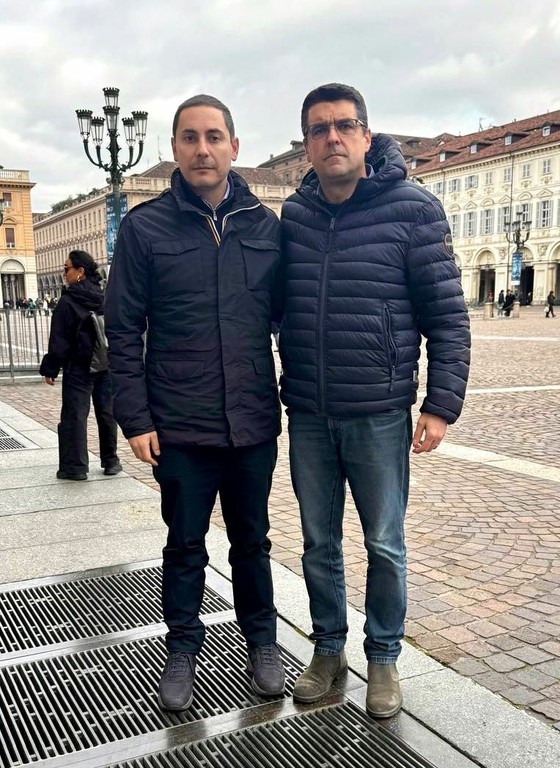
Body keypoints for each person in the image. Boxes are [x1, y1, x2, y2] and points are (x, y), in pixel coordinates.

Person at [279, 83, 470, 719]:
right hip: (309, 411)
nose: (331, 137)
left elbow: (448, 317)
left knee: (385, 543)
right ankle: (329, 650)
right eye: (318, 129)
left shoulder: (413, 209)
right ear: (307, 145)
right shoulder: (295, 217)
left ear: (366, 135)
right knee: (317, 543)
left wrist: (440, 403)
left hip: (380, 412)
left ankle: (384, 656)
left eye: (343, 126)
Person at [105, 94, 285, 712]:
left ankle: (262, 642)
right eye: (189, 137)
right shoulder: (145, 228)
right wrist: (135, 418)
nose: (202, 149)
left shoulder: (265, 227)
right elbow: (122, 329)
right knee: (184, 546)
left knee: (252, 541)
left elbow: (291, 319)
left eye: (213, 137)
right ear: (175, 148)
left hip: (252, 421)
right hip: (178, 424)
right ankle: (182, 649)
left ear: (234, 146)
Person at [39, 250, 122, 481]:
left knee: (74, 416)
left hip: (79, 367)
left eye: (67, 268)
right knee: (107, 413)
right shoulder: (103, 296)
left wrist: (50, 368)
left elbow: (59, 340)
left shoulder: (68, 302)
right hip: (105, 363)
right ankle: (111, 461)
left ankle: (74, 467)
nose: (64, 273)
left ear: (80, 271)